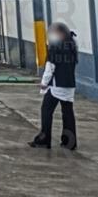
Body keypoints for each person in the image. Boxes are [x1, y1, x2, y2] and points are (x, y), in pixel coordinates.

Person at [28, 22, 79, 150]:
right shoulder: (72, 45)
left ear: (59, 34)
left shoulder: (56, 47)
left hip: (56, 86)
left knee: (46, 110)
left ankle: (44, 140)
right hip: (69, 85)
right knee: (68, 113)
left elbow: (50, 67)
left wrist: (44, 83)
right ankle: (69, 142)